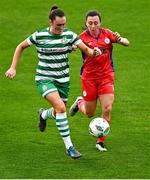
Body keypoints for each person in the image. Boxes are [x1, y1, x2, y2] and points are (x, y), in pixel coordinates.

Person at [5, 6, 101, 159]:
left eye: (64, 25)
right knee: (61, 108)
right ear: (50, 22)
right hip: (44, 78)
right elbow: (21, 46)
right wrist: (13, 68)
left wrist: (93, 52)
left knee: (58, 112)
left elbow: (86, 50)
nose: (62, 28)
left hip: (63, 80)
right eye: (58, 25)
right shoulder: (40, 35)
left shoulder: (69, 35)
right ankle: (70, 147)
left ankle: (43, 114)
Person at [70, 10, 129, 152]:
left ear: (100, 22)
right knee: (90, 113)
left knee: (107, 108)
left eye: (96, 23)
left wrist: (120, 39)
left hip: (106, 77)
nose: (93, 25)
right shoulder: (81, 38)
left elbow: (127, 43)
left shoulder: (107, 34)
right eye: (90, 23)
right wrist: (71, 47)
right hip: (89, 78)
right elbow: (72, 46)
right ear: (86, 23)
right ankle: (79, 102)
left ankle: (100, 141)